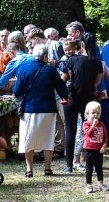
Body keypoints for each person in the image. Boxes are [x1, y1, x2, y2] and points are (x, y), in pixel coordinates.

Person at [14, 44, 68, 177]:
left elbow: (16, 91)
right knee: (48, 139)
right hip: (47, 109)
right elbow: (61, 88)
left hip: (29, 109)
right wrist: (64, 97)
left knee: (29, 139)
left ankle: (29, 169)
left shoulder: (24, 69)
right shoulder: (50, 71)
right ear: (45, 56)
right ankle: (48, 168)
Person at [61, 33, 103, 173]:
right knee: (91, 129)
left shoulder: (72, 59)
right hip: (88, 99)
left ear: (82, 45)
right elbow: (97, 83)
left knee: (70, 130)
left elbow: (64, 78)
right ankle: (91, 161)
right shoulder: (97, 62)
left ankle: (69, 165)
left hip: (72, 98)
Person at [82, 101, 109, 193]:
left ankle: (101, 183)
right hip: (89, 149)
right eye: (93, 112)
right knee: (89, 168)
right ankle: (89, 185)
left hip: (99, 150)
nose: (95, 115)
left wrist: (104, 145)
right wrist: (93, 125)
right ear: (87, 113)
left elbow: (105, 136)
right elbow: (88, 134)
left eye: (98, 113)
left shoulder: (102, 124)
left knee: (99, 167)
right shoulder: (86, 124)